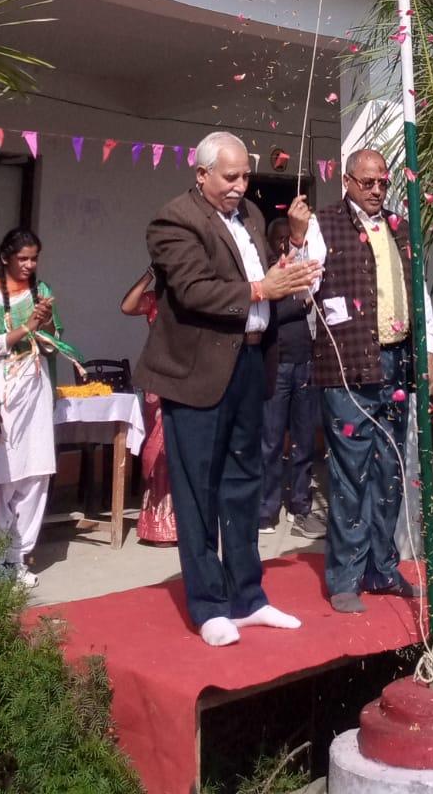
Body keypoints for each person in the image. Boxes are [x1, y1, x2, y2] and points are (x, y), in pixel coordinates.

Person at [134, 131, 322, 648]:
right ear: (202, 175)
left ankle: (248, 598)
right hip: (197, 371)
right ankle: (209, 605)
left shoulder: (253, 217)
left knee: (244, 483)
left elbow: (269, 278)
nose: (240, 185)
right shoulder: (175, 219)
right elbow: (194, 290)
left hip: (250, 362)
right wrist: (262, 289)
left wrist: (296, 245)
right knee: (198, 489)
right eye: (230, 176)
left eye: (245, 176)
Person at [306, 148, 433, 614]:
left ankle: (382, 568)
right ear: (346, 181)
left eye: (383, 181)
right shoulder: (322, 224)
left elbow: (418, 290)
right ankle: (345, 577)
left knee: (389, 470)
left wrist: (428, 347)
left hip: (396, 361)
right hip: (348, 365)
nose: (377, 190)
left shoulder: (400, 227)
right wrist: (298, 242)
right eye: (368, 182)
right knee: (350, 474)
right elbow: (304, 287)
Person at [0, 228, 77, 587]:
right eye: (22, 258)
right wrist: (25, 327)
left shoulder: (42, 291)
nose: (29, 264)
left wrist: (46, 320)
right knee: (5, 477)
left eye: (34, 258)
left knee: (37, 474)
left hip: (36, 389)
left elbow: (54, 345)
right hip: (2, 390)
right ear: (5, 258)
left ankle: (19, 557)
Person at [259, 217, 323, 539]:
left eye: (289, 237)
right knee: (270, 441)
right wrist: (300, 300)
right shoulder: (267, 275)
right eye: (279, 238)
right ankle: (266, 510)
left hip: (305, 363)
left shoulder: (301, 271)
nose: (285, 244)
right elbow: (276, 313)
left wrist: (305, 296)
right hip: (277, 366)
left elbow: (314, 301)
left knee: (304, 440)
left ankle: (300, 506)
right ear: (270, 243)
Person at [120, 268, 177, 545]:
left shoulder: (193, 301)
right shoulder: (154, 300)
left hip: (186, 382)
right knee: (157, 454)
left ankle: (183, 526)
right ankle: (157, 526)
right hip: (157, 383)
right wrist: (148, 275)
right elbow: (127, 306)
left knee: (181, 452)